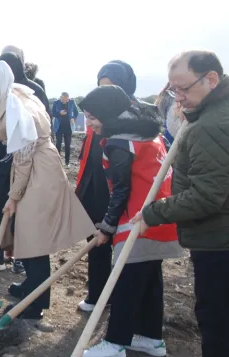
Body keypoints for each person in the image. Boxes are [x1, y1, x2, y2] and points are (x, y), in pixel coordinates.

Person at [0, 61, 94, 325]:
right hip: (39, 166)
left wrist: (13, 196)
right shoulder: (16, 95)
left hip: (39, 172)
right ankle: (31, 284)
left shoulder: (17, 110)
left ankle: (36, 302)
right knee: (27, 231)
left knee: (34, 235)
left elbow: (25, 157)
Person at [133, 50, 229, 357]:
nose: (179, 97)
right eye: (173, 89)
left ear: (211, 79)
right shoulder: (211, 115)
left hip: (219, 243)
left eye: (184, 89)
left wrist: (154, 213)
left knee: (217, 323)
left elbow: (206, 196)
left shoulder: (211, 127)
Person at [79, 85, 183, 357]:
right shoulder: (146, 133)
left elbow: (121, 190)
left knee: (126, 284)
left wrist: (107, 227)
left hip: (139, 222)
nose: (89, 124)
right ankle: (151, 338)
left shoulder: (120, 142)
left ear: (107, 113)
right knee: (149, 280)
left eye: (92, 117)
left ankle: (114, 342)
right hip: (160, 218)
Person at [75, 60, 138, 313]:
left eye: (110, 87)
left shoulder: (131, 117)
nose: (105, 93)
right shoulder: (97, 116)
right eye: (101, 86)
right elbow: (89, 153)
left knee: (119, 242)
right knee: (96, 239)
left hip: (116, 186)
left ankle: (118, 296)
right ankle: (97, 293)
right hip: (94, 183)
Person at [51, 93, 79, 166]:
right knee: (58, 144)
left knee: (67, 145)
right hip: (59, 127)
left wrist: (73, 118)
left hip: (68, 127)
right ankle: (57, 162)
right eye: (63, 99)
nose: (65, 101)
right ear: (60, 97)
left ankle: (67, 162)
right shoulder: (56, 103)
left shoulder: (72, 102)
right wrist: (59, 113)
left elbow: (76, 112)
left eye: (66, 99)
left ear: (68, 98)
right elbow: (52, 113)